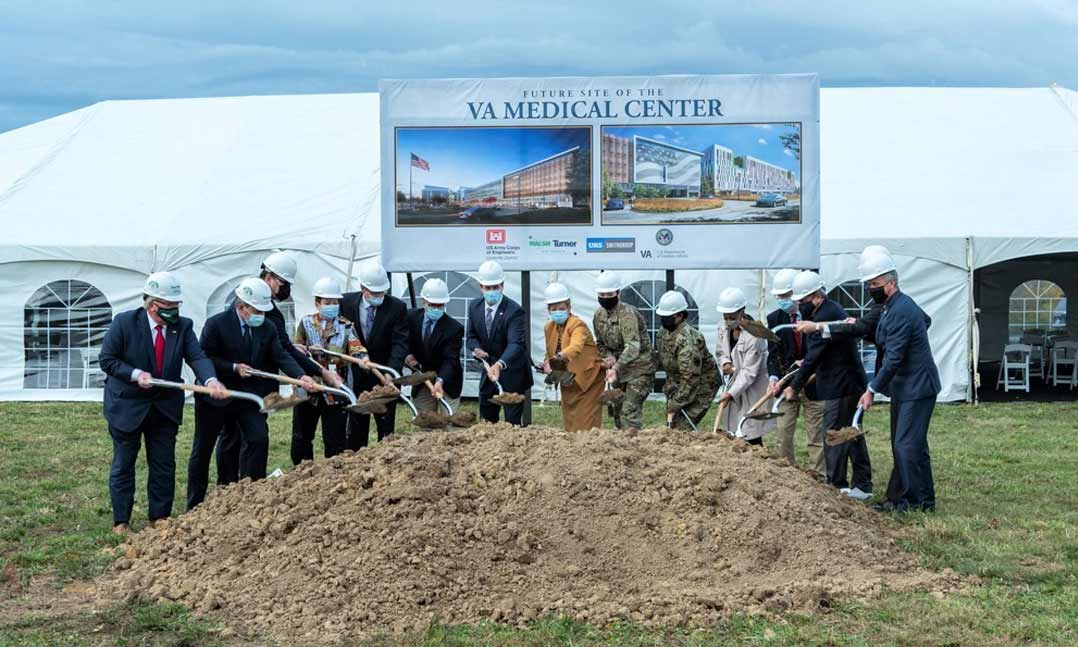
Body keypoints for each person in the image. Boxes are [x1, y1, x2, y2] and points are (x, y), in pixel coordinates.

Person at [99, 271, 227, 533]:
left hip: (164, 406)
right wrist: (135, 375)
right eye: (167, 306)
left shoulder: (183, 327)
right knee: (124, 462)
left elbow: (198, 357)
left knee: (163, 462)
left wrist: (210, 380)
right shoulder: (125, 323)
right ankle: (121, 520)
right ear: (151, 303)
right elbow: (107, 360)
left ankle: (159, 516)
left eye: (176, 305)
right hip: (127, 405)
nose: (173, 311)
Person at [187, 278, 317, 509]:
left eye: (264, 311)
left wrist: (301, 376)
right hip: (216, 395)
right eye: (256, 311)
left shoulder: (266, 327)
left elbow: (280, 355)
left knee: (258, 438)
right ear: (241, 307)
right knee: (205, 447)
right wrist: (232, 368)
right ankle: (200, 501)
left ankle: (252, 494)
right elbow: (205, 357)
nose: (261, 316)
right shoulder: (216, 324)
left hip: (249, 396)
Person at [215, 252, 340, 486]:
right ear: (269, 277)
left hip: (259, 386)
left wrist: (306, 373)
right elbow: (283, 351)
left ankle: (249, 484)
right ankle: (229, 488)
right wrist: (321, 373)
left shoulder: (270, 313)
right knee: (233, 437)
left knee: (253, 438)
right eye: (284, 284)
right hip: (236, 386)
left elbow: (283, 351)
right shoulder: (248, 307)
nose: (286, 290)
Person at [856, 255, 941, 513]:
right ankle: (924, 501)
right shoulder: (893, 306)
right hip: (907, 386)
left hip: (917, 386)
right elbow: (924, 321)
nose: (870, 289)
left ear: (889, 283)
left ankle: (910, 502)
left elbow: (894, 357)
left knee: (905, 445)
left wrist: (871, 389)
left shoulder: (902, 309)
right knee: (912, 445)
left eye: (873, 284)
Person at [785, 271, 873, 500]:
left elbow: (814, 355)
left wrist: (794, 387)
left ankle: (836, 486)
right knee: (851, 433)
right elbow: (816, 355)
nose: (798, 305)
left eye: (801, 300)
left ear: (816, 297)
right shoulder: (825, 311)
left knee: (833, 432)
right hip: (847, 381)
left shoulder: (828, 314)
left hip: (843, 384)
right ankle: (862, 485)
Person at [292, 277, 369, 463]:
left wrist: (363, 359)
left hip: (336, 389)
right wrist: (301, 349)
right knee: (302, 437)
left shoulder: (346, 325)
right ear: (318, 303)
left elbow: (356, 348)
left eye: (335, 302)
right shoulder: (306, 323)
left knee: (335, 438)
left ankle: (333, 473)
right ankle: (301, 470)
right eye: (327, 303)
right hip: (309, 387)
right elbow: (295, 347)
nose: (332, 306)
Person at [341, 258, 409, 448]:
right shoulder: (345, 303)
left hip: (384, 377)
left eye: (382, 292)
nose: (379, 296)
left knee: (386, 429)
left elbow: (400, 343)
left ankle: (386, 463)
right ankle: (356, 461)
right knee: (356, 428)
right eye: (375, 292)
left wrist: (391, 371)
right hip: (356, 375)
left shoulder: (397, 308)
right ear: (363, 288)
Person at [767, 268, 825, 474]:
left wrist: (809, 366)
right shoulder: (775, 319)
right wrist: (773, 377)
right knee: (782, 432)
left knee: (816, 436)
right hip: (787, 383)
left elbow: (823, 349)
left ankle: (819, 479)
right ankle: (787, 476)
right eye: (778, 296)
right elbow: (773, 353)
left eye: (785, 296)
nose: (781, 300)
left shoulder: (817, 316)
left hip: (814, 383)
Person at [466, 260, 533, 425]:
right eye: (487, 288)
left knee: (512, 422)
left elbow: (516, 344)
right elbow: (471, 335)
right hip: (488, 370)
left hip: (512, 371)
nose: (491, 291)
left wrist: (500, 364)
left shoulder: (514, 310)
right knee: (487, 419)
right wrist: (476, 348)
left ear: (502, 285)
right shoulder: (474, 306)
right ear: (481, 287)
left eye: (495, 287)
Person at [592, 271, 656, 430]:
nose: (605, 297)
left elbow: (633, 347)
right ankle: (622, 447)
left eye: (609, 294)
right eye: (602, 294)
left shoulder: (628, 314)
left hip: (639, 369)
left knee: (629, 410)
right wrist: (608, 357)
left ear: (618, 293)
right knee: (617, 409)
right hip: (620, 371)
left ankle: (633, 446)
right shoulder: (598, 315)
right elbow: (600, 343)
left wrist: (615, 367)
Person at [540, 283, 604, 432]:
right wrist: (546, 363)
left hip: (589, 378)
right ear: (548, 310)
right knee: (570, 420)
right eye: (553, 309)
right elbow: (549, 351)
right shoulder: (549, 327)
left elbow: (575, 347)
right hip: (568, 379)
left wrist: (558, 357)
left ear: (569, 307)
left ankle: (589, 448)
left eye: (561, 308)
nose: (557, 312)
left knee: (586, 421)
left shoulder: (577, 325)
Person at [714, 287, 774, 445]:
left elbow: (749, 372)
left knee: (749, 431)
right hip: (733, 384)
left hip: (752, 388)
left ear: (742, 311)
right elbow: (720, 351)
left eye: (731, 316)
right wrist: (725, 362)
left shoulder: (756, 334)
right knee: (732, 431)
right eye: (725, 316)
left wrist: (730, 393)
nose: (728, 320)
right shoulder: (722, 327)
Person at [655, 290, 719, 430]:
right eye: (662, 316)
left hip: (703, 385)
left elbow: (691, 379)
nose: (664, 319)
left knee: (682, 427)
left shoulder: (688, 342)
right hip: (682, 383)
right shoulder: (663, 333)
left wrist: (675, 403)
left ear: (680, 315)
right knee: (672, 424)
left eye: (668, 316)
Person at [404, 278, 464, 417]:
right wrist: (407, 356)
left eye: (440, 305)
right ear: (423, 301)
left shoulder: (454, 328)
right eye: (432, 305)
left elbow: (451, 359)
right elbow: (402, 341)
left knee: (449, 423)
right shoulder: (410, 318)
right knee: (425, 421)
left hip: (447, 380)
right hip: (422, 378)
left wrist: (440, 381)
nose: (436, 309)